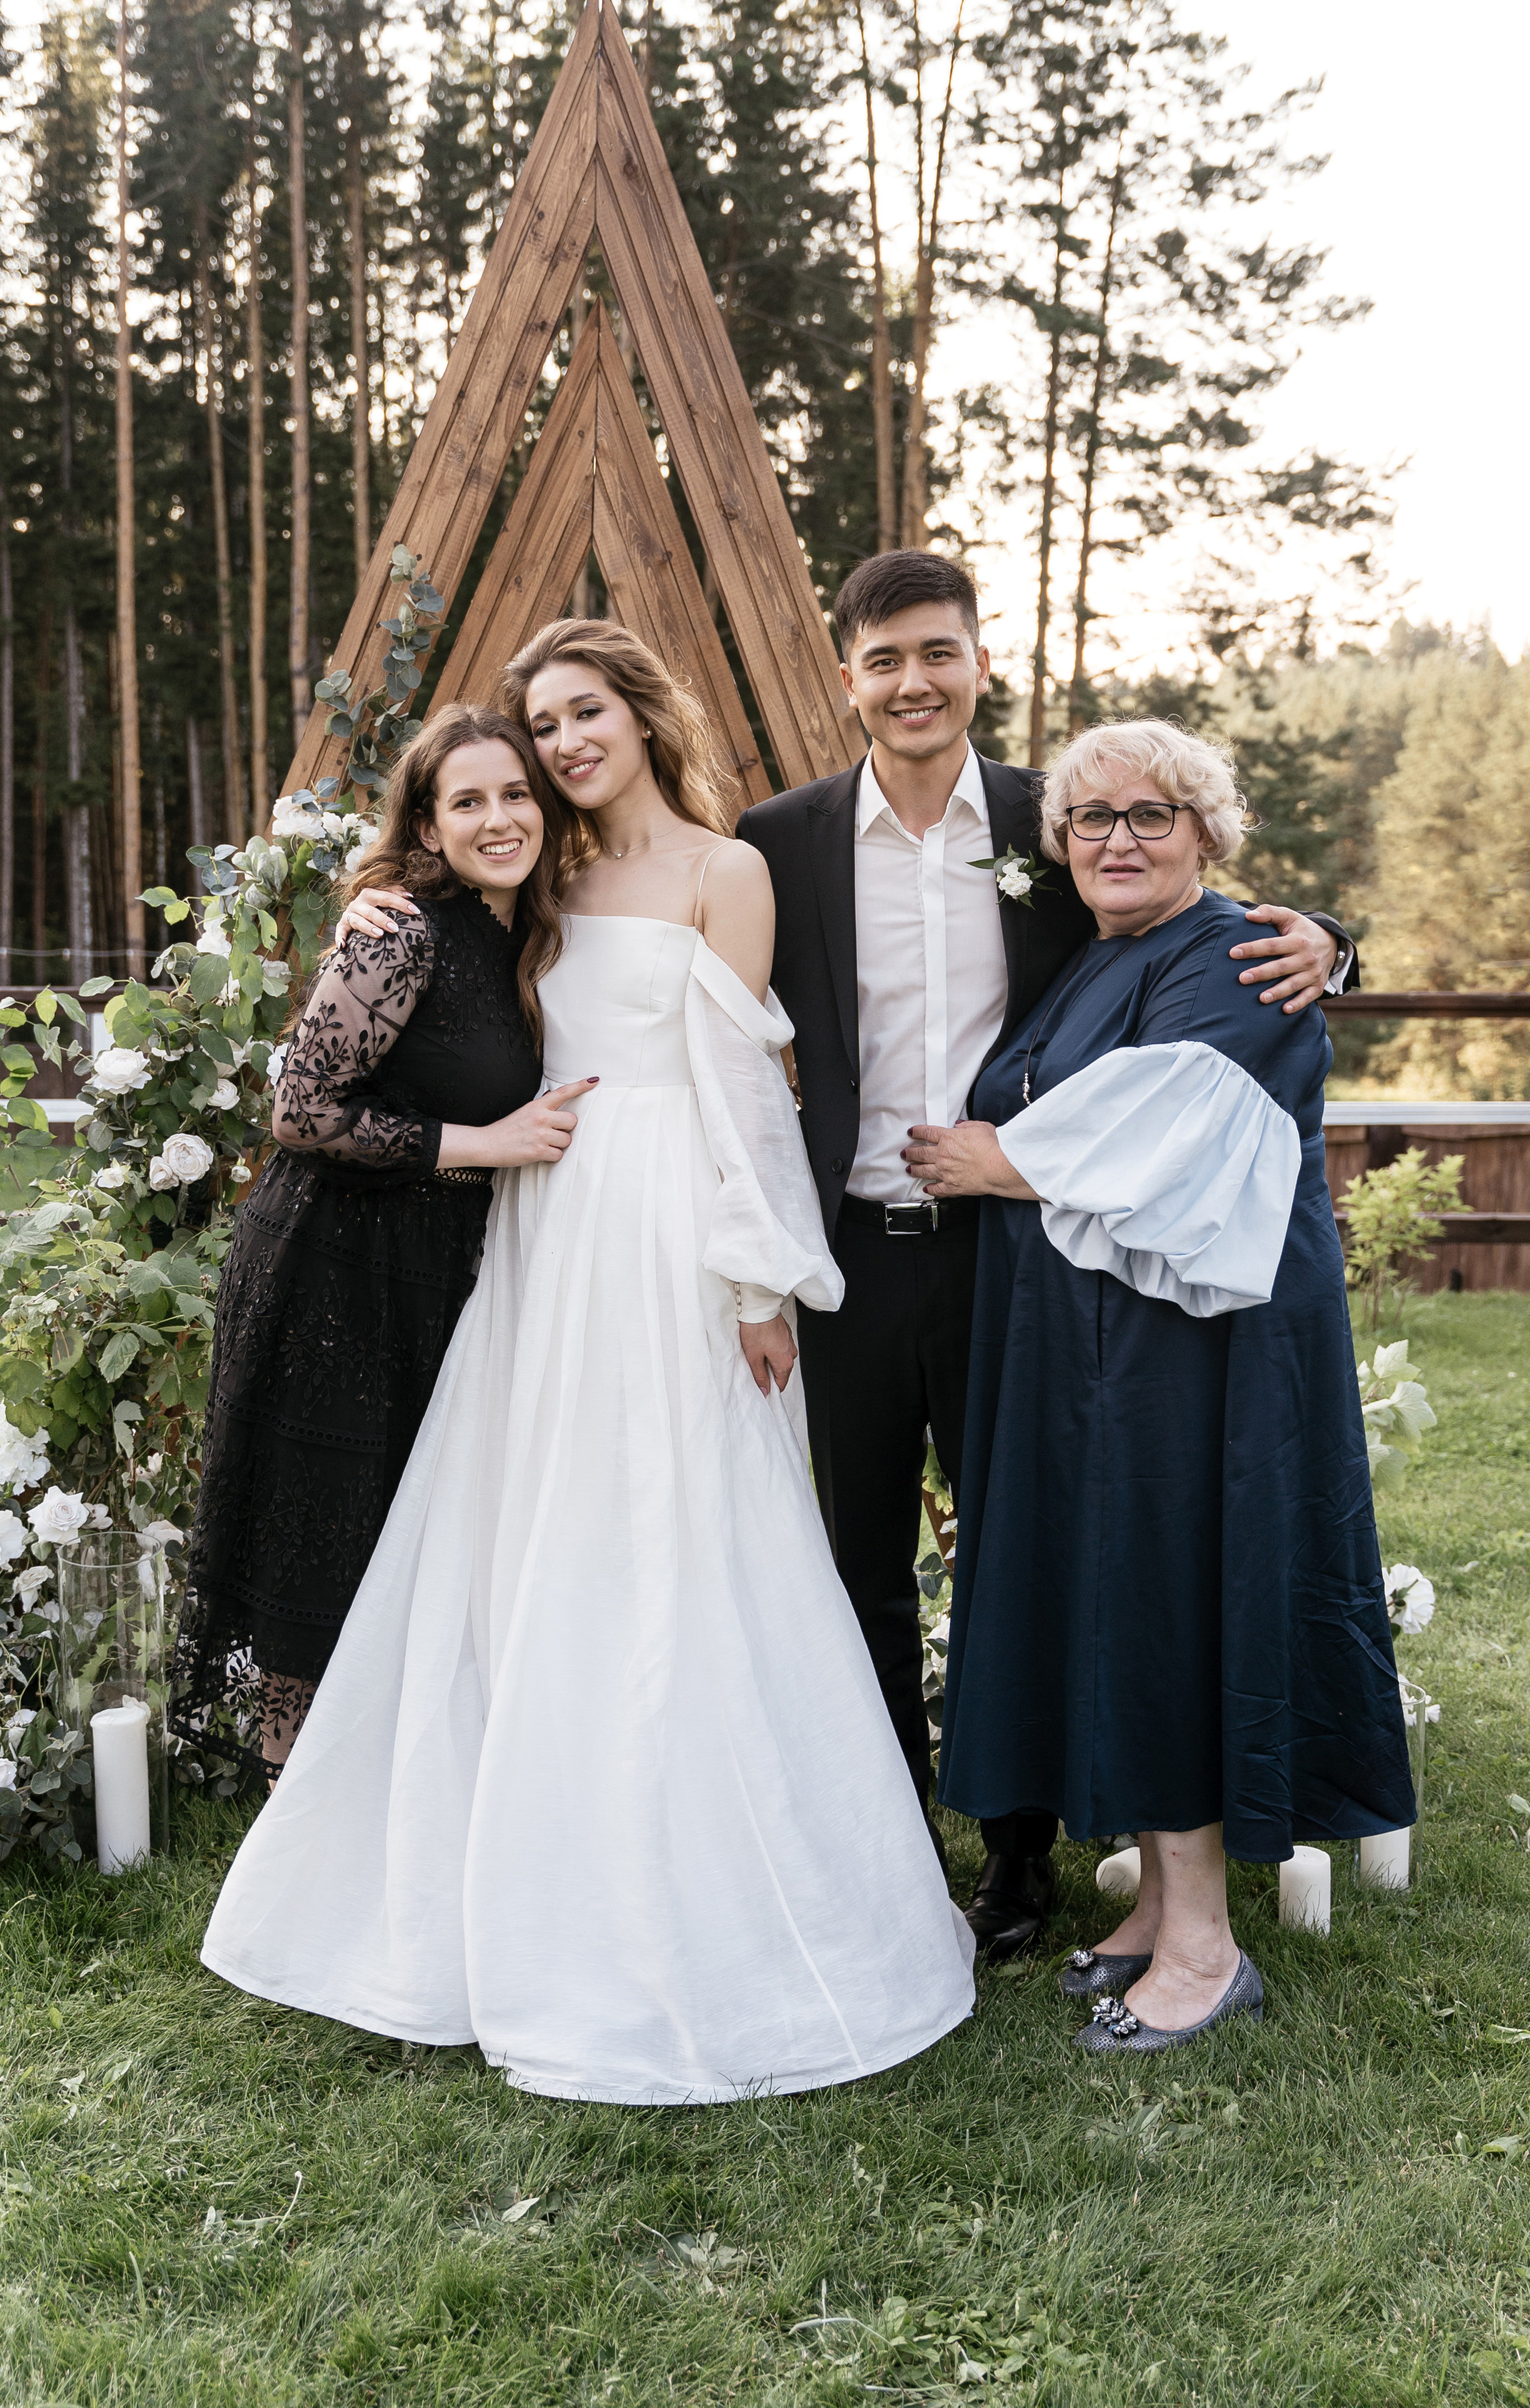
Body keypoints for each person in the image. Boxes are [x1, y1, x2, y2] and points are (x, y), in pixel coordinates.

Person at [201, 619, 976, 2101]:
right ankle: (494, 1882)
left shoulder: (719, 868)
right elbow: (434, 972)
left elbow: (745, 1086)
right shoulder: (534, 875)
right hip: (542, 1224)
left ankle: (698, 1883)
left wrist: (756, 1280)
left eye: (582, 716)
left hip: (673, 1227)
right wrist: (370, 911)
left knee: (680, 1523)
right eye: (541, 724)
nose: (560, 747)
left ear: (639, 711)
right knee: (523, 1528)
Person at [739, 550, 1356, 1961]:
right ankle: (882, 1850)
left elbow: (1205, 917)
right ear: (848, 678)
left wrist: (1330, 941)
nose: (912, 682)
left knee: (1017, 1546)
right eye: (883, 659)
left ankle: (1016, 1866)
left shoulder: (1054, 817)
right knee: (858, 1564)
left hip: (1020, 1257)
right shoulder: (774, 838)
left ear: (976, 663)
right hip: (847, 1255)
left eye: (936, 653)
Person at [920, 718, 1416, 2055]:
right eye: (1093, 821)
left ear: (1207, 834)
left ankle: (1204, 1948)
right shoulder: (1101, 959)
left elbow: (1170, 1121)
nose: (1120, 839)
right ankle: (1151, 1917)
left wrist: (992, 1163)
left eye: (1152, 815)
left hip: (1195, 1358)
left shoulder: (1242, 952)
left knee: (1166, 1595)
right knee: (1113, 1587)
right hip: (1090, 1348)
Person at [170, 705, 591, 1782]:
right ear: (428, 822)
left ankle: (366, 1775)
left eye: (514, 795)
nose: (498, 819)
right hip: (332, 1262)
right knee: (322, 1514)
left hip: (429, 1268)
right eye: (468, 802)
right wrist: (482, 1142)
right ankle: (286, 1788)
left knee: (394, 1513)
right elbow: (300, 1109)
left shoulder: (524, 934)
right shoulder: (402, 930)